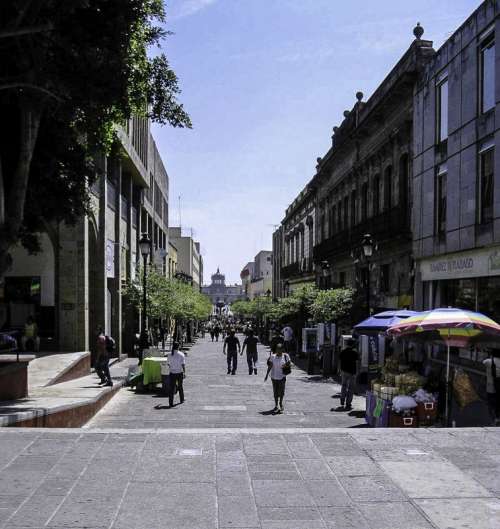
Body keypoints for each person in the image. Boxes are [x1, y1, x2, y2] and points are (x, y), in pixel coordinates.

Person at [264, 343, 290, 413]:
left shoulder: (286, 356)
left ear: (282, 349)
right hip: (274, 377)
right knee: (275, 392)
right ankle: (276, 405)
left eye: (279, 349)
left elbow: (289, 363)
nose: (278, 351)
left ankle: (281, 403)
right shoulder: (272, 356)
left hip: (282, 377)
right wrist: (266, 375)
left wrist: (285, 365)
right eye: (277, 349)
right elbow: (270, 366)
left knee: (281, 391)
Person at [339, 338, 358, 411]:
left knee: (344, 385)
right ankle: (348, 403)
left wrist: (339, 370)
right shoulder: (354, 352)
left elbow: (339, 361)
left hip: (344, 371)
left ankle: (342, 399)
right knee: (351, 388)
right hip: (352, 372)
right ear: (353, 344)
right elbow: (357, 362)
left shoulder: (343, 352)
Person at [483, 349, 500, 426]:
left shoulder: (488, 362)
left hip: (490, 388)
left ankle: (493, 421)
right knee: (498, 403)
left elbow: (483, 362)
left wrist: (490, 356)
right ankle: (497, 418)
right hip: (499, 388)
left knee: (490, 404)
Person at [168, 341, 185, 407]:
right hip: (179, 372)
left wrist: (172, 368)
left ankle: (170, 402)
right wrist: (184, 372)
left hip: (172, 373)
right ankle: (182, 399)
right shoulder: (181, 354)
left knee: (171, 388)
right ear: (178, 346)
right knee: (180, 386)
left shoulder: (170, 354)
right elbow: (183, 365)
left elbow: (168, 364)